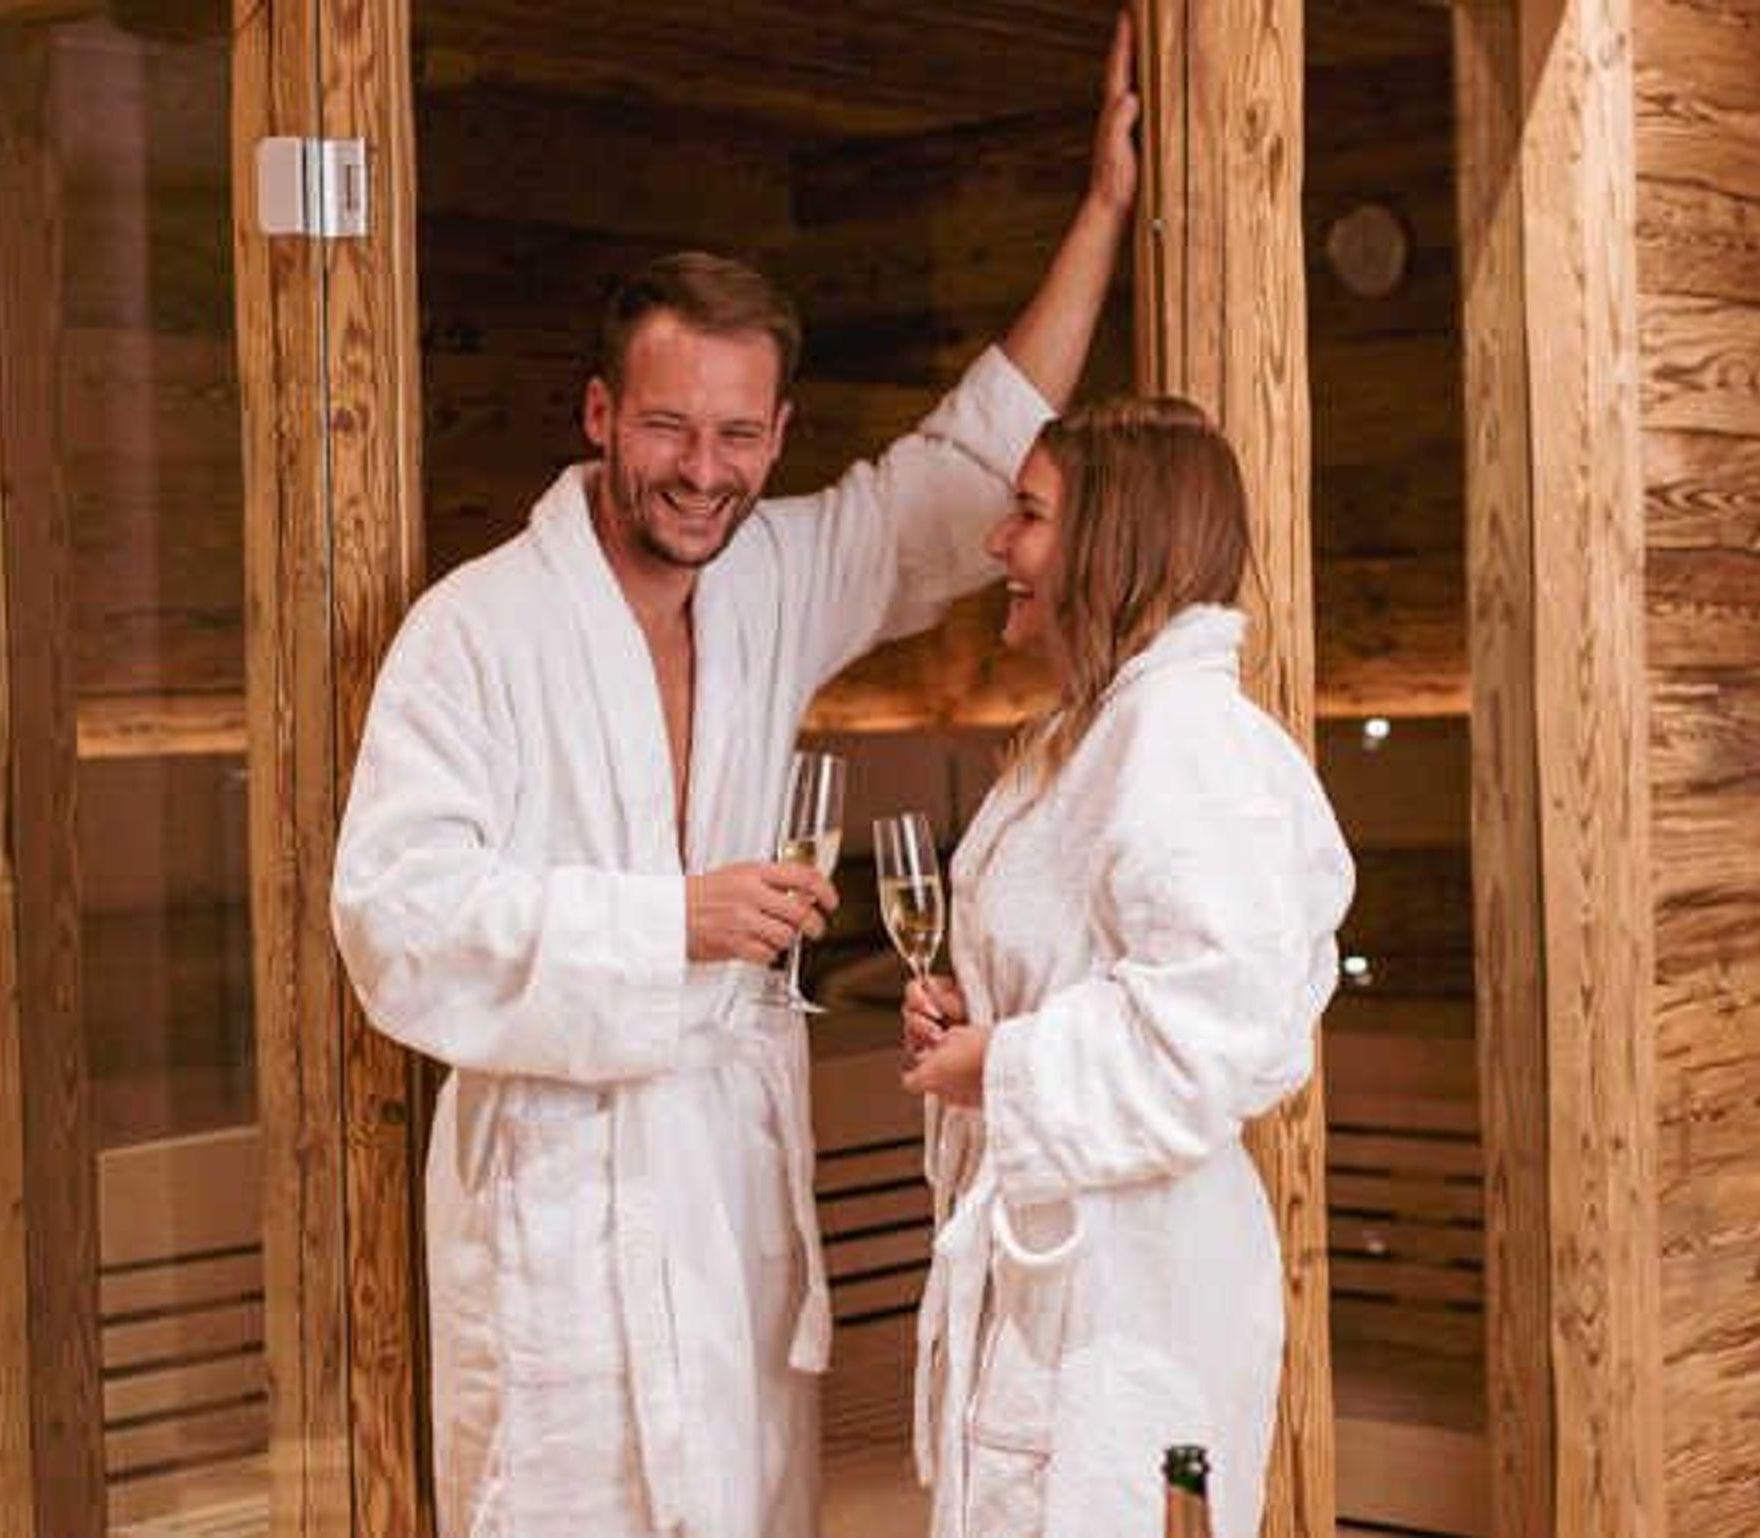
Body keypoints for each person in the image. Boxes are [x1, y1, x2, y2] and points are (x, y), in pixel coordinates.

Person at [328, 13, 1138, 1534]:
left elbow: (962, 470)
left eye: (737, 435)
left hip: (725, 1193)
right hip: (560, 1221)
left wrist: (1102, 208)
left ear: (777, 436)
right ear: (599, 415)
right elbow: (394, 918)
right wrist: (668, 921)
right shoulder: (475, 631)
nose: (703, 471)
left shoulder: (770, 576)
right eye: (667, 427)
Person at [901, 398, 1357, 1538]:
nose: (999, 543)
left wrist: (1000, 1064)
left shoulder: (1183, 741)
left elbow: (1212, 1029)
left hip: (1134, 1298)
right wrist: (978, 1015)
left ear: (1111, 541)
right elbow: (1099, 973)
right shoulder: (1099, 732)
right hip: (1072, 1279)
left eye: (1028, 514)